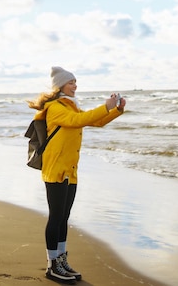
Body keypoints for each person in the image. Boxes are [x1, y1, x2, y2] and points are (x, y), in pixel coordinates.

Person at [28, 66, 125, 283]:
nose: (75, 86)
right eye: (71, 82)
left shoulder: (70, 106)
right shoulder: (55, 107)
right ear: (61, 85)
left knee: (64, 217)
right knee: (56, 217)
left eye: (75, 82)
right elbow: (77, 122)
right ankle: (52, 265)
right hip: (55, 169)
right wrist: (105, 106)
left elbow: (95, 121)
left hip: (70, 170)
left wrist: (115, 110)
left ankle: (61, 260)